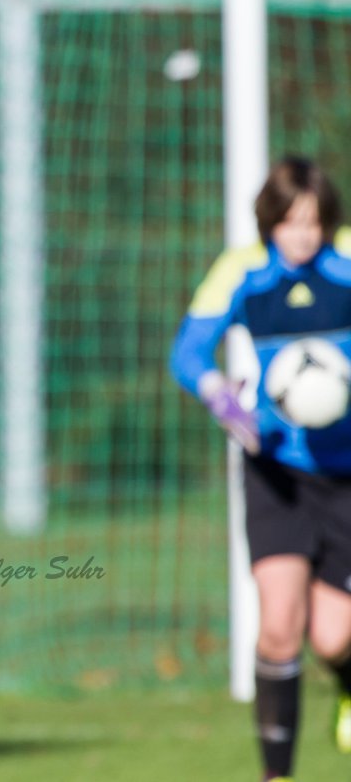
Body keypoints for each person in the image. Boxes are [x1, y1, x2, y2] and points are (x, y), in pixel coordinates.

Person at [170, 156, 351, 782]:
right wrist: (222, 395)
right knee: (279, 626)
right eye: (289, 222)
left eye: (313, 221)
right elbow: (188, 351)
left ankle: (348, 686)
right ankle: (276, 777)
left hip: (346, 476)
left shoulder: (348, 260)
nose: (302, 235)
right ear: (268, 223)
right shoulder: (242, 270)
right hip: (275, 470)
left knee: (333, 638)